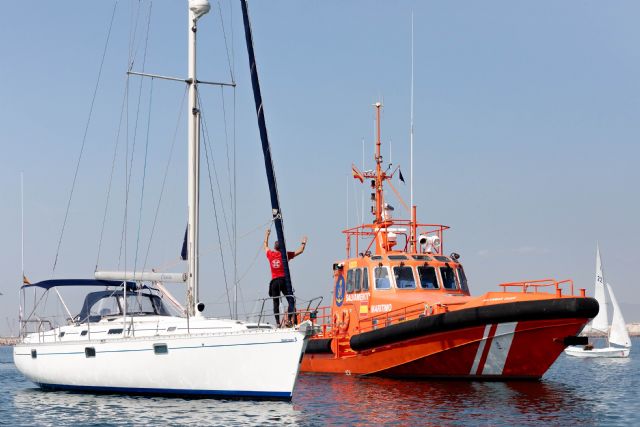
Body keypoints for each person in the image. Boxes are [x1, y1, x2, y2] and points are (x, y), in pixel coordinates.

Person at [264, 229, 307, 327]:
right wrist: (303, 242)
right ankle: (290, 320)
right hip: (283, 280)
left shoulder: (270, 255)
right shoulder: (285, 255)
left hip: (274, 282)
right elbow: (300, 250)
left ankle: (278, 323)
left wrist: (267, 235)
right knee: (291, 300)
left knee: (276, 302)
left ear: (275, 247)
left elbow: (265, 246)